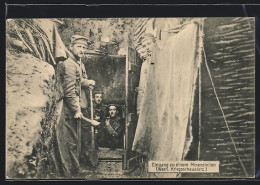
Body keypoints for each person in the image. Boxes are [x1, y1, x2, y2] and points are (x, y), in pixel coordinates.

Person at [56, 35, 98, 177]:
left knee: (77, 139)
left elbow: (79, 81)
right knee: (71, 141)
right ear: (71, 47)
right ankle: (74, 171)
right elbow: (69, 91)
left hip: (78, 107)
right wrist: (76, 110)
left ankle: (78, 166)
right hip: (70, 109)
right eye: (79, 46)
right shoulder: (69, 64)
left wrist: (88, 82)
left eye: (84, 47)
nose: (82, 50)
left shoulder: (79, 63)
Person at [136, 33, 156, 115]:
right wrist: (139, 109)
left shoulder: (163, 58)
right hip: (151, 101)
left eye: (149, 44)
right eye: (144, 46)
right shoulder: (145, 64)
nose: (147, 47)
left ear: (155, 43)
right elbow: (142, 87)